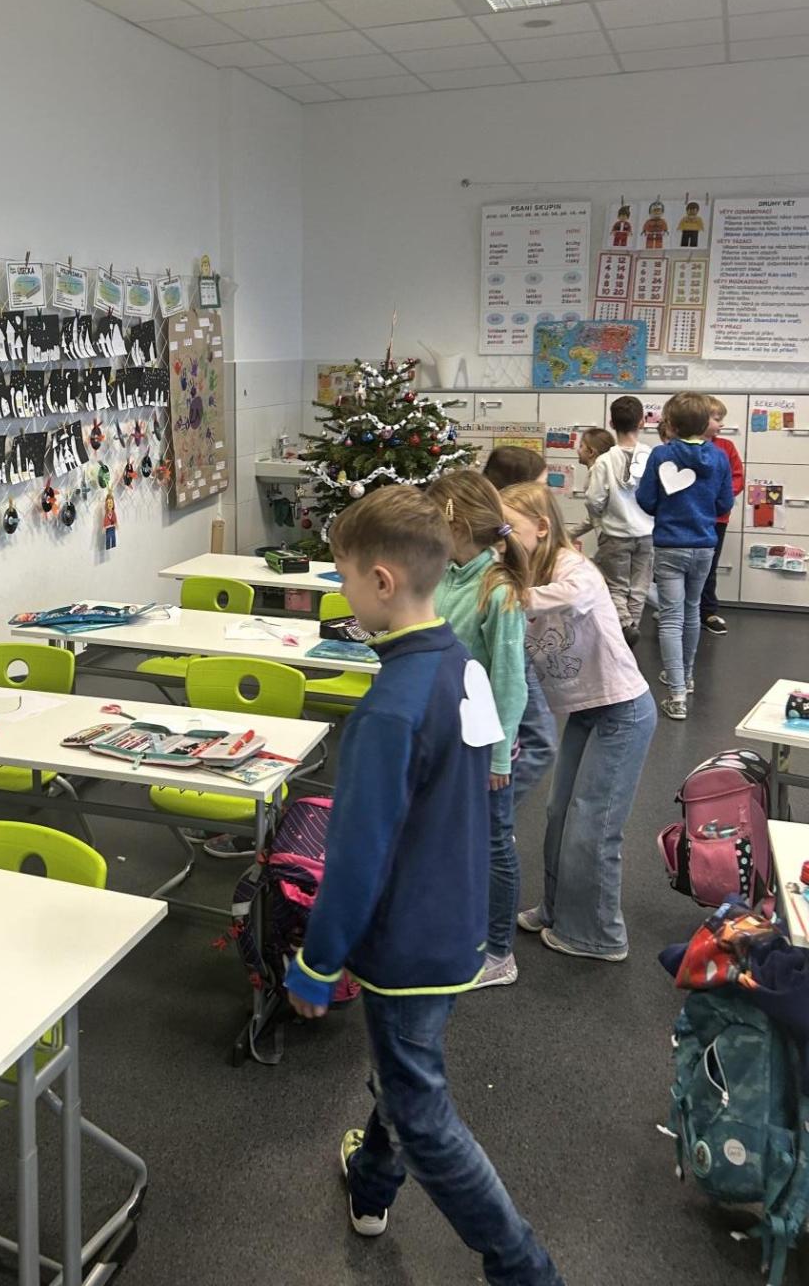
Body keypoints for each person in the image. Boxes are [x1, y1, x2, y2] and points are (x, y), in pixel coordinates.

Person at [284, 486, 564, 1286]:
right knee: (407, 1069)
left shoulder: (388, 711)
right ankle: (372, 1183)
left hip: (407, 942)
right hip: (455, 920)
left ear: (380, 581)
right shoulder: (459, 663)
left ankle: (524, 1268)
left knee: (424, 1114)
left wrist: (316, 962)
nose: (341, 592)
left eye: (342, 577)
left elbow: (356, 857)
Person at [501, 483, 657, 963]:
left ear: (541, 528)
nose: (501, 538)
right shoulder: (518, 574)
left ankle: (599, 936)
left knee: (594, 821)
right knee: (559, 814)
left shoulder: (571, 565)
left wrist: (511, 598)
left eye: (509, 529)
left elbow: (578, 593)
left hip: (623, 710)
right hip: (587, 711)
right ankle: (559, 910)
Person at [426, 471, 530, 991]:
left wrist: (498, 756)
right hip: (446, 734)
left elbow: (510, 685)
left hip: (484, 743)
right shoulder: (448, 575)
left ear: (458, 525)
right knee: (451, 834)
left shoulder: (498, 590)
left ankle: (499, 952)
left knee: (493, 843)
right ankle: (458, 926)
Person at [635, 392, 734, 721]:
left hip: (669, 546)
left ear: (672, 425)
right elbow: (724, 504)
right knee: (691, 612)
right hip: (704, 545)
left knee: (670, 617)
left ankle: (676, 695)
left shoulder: (661, 454)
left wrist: (669, 509)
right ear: (706, 422)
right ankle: (686, 677)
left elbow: (646, 500)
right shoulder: (719, 456)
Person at [483, 447, 556, 809]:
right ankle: (489, 813)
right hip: (509, 648)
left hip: (512, 646)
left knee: (534, 741)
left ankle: (489, 813)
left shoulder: (501, 536)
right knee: (540, 742)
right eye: (540, 485)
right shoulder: (497, 546)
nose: (547, 495)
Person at [585, 397, 653, 648]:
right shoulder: (652, 457)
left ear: (611, 423)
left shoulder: (604, 460)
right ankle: (632, 627)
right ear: (642, 422)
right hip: (646, 533)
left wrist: (601, 516)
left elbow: (594, 500)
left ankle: (624, 625)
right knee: (639, 587)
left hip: (615, 534)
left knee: (616, 586)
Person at [700, 396, 744, 636]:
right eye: (717, 418)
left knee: (709, 566)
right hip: (691, 517)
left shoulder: (726, 447)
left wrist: (717, 500)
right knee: (685, 567)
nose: (722, 423)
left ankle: (707, 612)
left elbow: (737, 478)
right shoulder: (681, 447)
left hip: (717, 518)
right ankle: (680, 611)